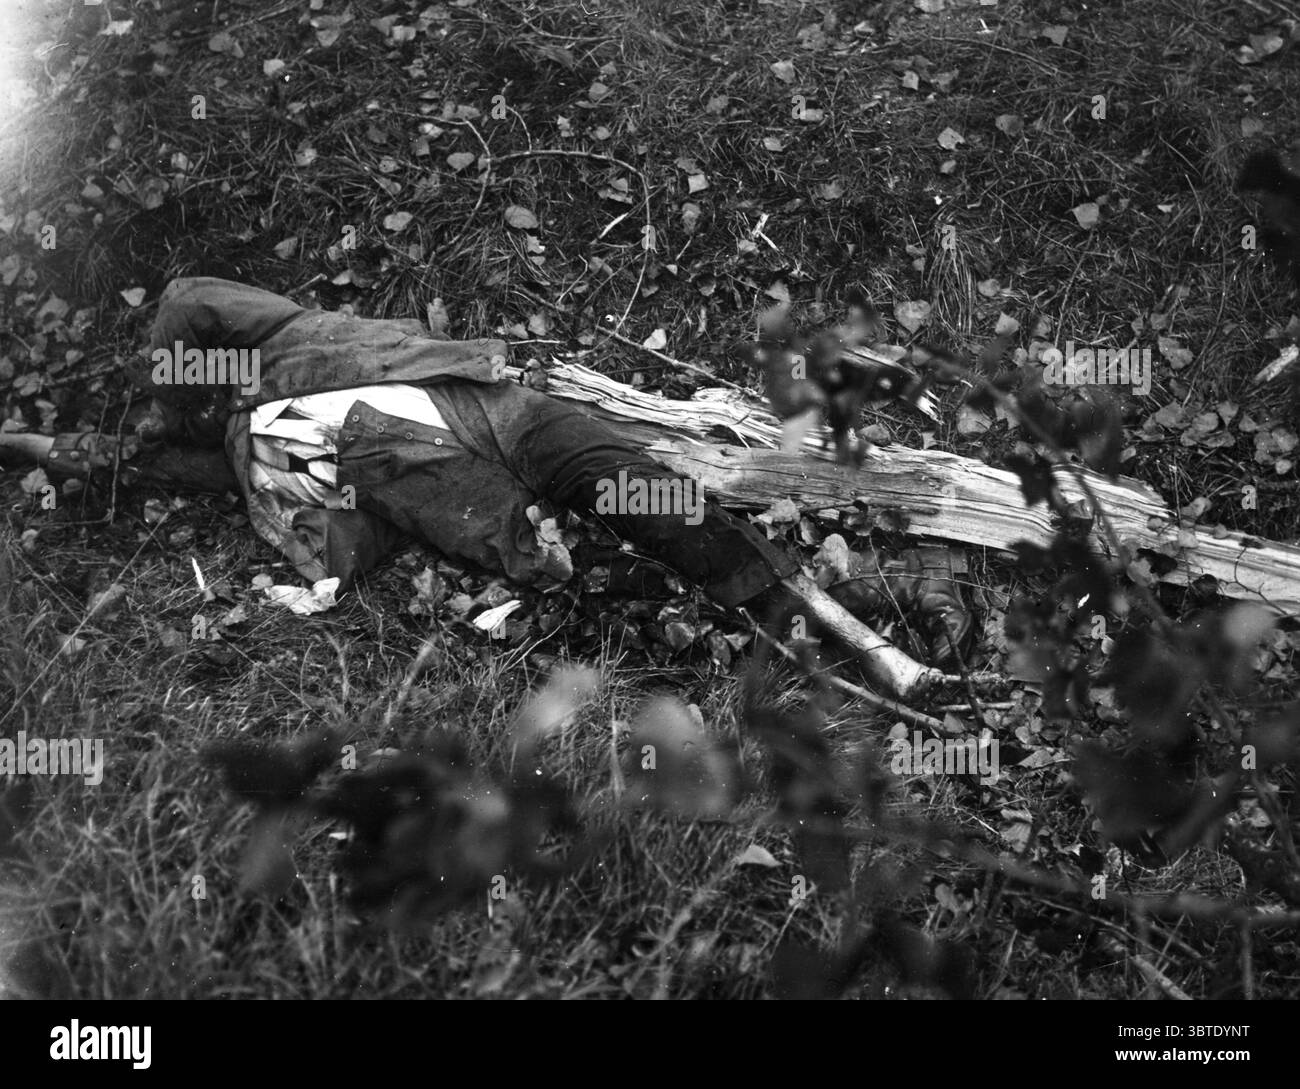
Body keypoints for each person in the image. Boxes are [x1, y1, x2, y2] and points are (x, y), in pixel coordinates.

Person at [3, 277, 970, 687]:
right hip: (459, 489)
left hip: (497, 412)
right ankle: (828, 640)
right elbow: (126, 465)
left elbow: (186, 301)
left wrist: (167, 400)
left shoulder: (276, 341)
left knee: (657, 502)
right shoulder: (233, 464)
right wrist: (336, 554)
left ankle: (868, 648)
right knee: (583, 568)